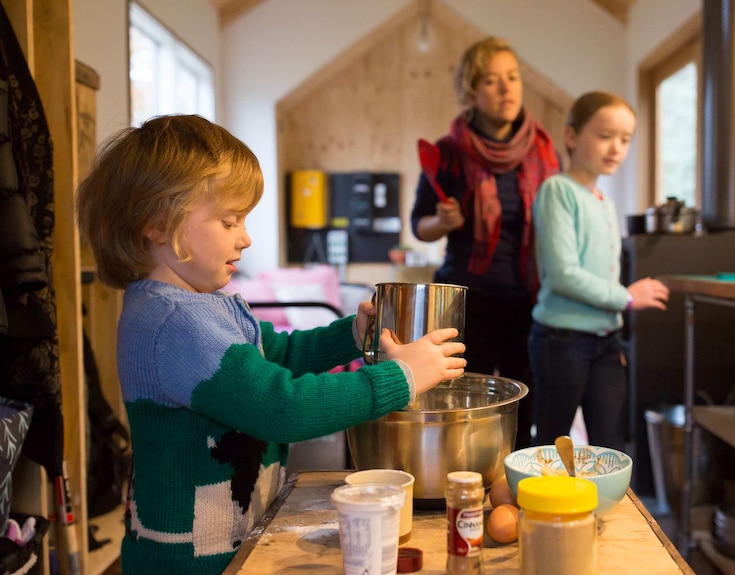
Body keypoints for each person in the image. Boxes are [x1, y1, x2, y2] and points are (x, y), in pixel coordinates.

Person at [75, 114, 466, 575]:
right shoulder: (173, 323)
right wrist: (401, 378)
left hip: (226, 548)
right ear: (156, 224)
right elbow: (280, 408)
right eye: (229, 220)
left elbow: (279, 355)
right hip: (194, 562)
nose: (245, 237)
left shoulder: (200, 305)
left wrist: (350, 336)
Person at [410, 36, 560, 449]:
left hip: (528, 299)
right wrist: (441, 222)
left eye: (512, 77)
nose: (506, 88)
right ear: (471, 91)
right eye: (492, 81)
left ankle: (516, 481)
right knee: (461, 403)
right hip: (467, 301)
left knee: (523, 400)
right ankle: (462, 482)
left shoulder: (544, 150)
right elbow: (418, 226)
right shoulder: (449, 153)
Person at [529, 91, 669, 451]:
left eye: (625, 140)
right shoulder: (557, 190)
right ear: (572, 136)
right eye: (605, 136)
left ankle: (600, 508)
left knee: (610, 447)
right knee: (553, 444)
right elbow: (563, 274)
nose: (616, 148)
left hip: (606, 343)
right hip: (562, 342)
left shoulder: (605, 202)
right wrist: (626, 296)